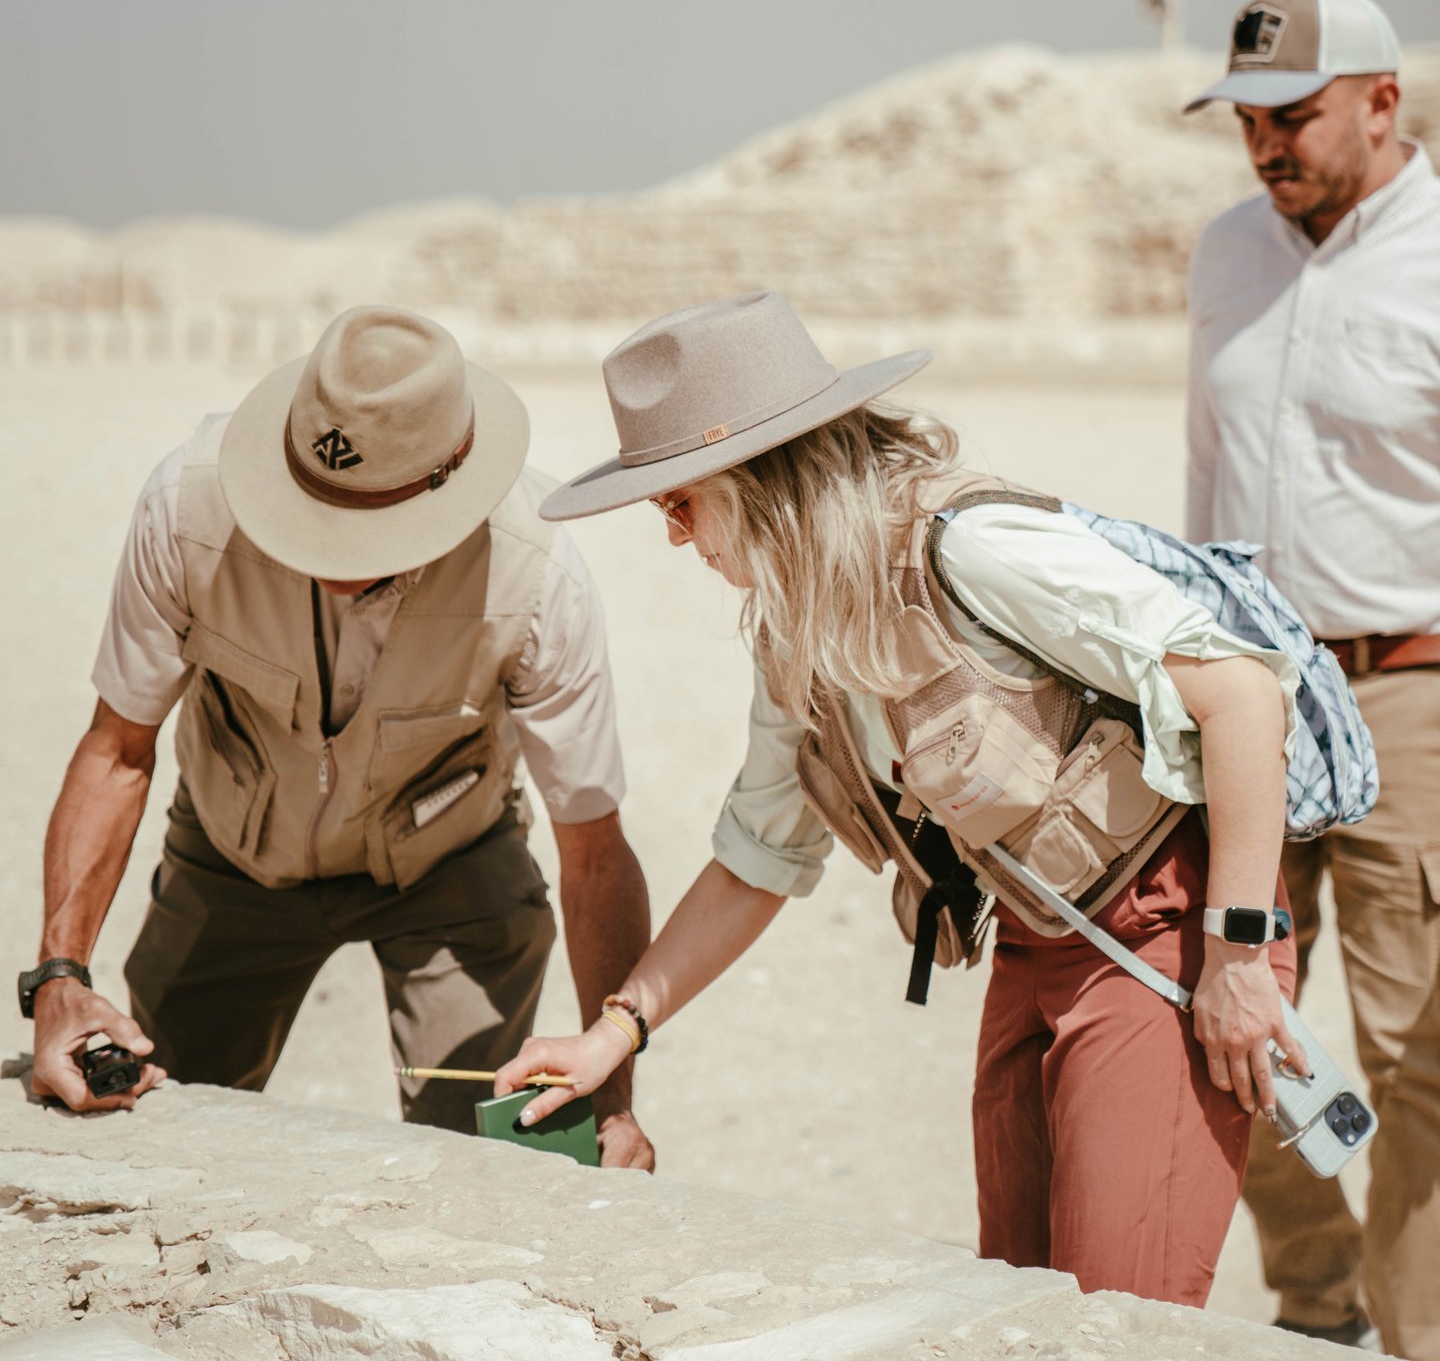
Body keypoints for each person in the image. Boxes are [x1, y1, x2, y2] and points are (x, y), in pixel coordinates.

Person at [498, 290, 1301, 1305]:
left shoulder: (971, 548)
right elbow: (757, 858)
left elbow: (1241, 694)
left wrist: (1236, 958)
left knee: (1114, 1320)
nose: (674, 540)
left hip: (1172, 931)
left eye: (677, 504)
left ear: (757, 481)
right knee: (1021, 1300)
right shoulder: (798, 628)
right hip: (1039, 940)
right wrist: (611, 1035)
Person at [22, 305, 654, 1168]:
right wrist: (59, 979)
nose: (325, 551)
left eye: (367, 526)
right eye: (310, 512)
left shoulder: (538, 572)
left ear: (447, 488)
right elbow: (116, 749)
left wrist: (613, 1098)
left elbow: (594, 851)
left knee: (474, 1151)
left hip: (452, 866)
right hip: (232, 857)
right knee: (148, 1122)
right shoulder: (187, 507)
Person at [1184, 0, 1440, 1361]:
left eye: (1294, 117)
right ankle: (1315, 1296)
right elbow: (1202, 474)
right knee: (1228, 1008)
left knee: (1415, 1059)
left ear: (1383, 103)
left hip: (1415, 693)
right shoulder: (1224, 252)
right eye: (1247, 123)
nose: (1266, 146)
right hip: (1248, 696)